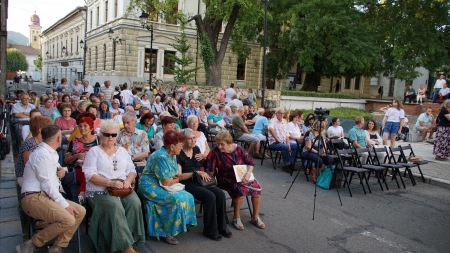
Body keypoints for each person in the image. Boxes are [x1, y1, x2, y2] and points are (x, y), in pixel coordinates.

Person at [17, 125, 86, 253]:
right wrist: (65, 205)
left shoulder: (50, 152)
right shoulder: (43, 155)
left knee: (80, 211)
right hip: (33, 197)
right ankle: (32, 243)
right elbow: (47, 185)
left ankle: (58, 246)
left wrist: (61, 173)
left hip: (44, 196)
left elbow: (53, 176)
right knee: (68, 219)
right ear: (59, 138)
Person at [82, 120, 145, 253]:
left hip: (122, 189)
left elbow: (132, 170)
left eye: (113, 134)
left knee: (134, 202)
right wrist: (109, 183)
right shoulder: (94, 152)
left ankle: (128, 241)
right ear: (100, 135)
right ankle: (125, 248)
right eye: (107, 134)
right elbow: (90, 175)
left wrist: (128, 181)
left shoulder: (122, 151)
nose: (111, 137)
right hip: (100, 190)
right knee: (113, 206)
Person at [139, 130, 197, 245]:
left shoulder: (172, 155)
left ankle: (181, 224)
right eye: (180, 146)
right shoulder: (161, 157)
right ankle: (167, 232)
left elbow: (173, 175)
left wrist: (175, 179)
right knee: (174, 200)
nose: (181, 148)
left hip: (164, 184)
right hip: (149, 186)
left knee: (188, 196)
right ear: (172, 146)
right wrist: (178, 179)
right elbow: (166, 182)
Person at [177, 129, 231, 240]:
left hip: (200, 179)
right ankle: (210, 230)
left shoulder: (196, 149)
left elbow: (204, 164)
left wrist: (205, 159)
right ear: (183, 140)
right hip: (187, 182)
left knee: (220, 194)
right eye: (190, 138)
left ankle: (222, 226)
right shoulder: (179, 153)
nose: (193, 140)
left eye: (194, 138)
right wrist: (195, 173)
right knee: (209, 196)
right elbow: (179, 176)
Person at [206, 131, 265, 230]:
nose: (219, 146)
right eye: (218, 143)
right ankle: (236, 217)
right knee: (239, 190)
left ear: (229, 143)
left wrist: (248, 174)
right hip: (225, 178)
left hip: (242, 175)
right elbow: (209, 169)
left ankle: (255, 217)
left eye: (222, 144)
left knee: (257, 190)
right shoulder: (215, 152)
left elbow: (250, 162)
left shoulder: (238, 148)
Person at [64, 112, 98, 202]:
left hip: (97, 168)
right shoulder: (74, 141)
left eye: (85, 126)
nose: (82, 128)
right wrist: (77, 156)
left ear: (91, 127)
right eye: (80, 126)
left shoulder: (98, 140)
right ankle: (82, 195)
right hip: (79, 169)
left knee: (91, 173)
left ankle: (81, 194)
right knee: (87, 173)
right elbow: (66, 160)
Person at [16, 116, 54, 186]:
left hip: (40, 174)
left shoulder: (43, 142)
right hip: (27, 177)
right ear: (40, 130)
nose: (51, 131)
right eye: (48, 129)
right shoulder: (29, 144)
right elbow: (29, 166)